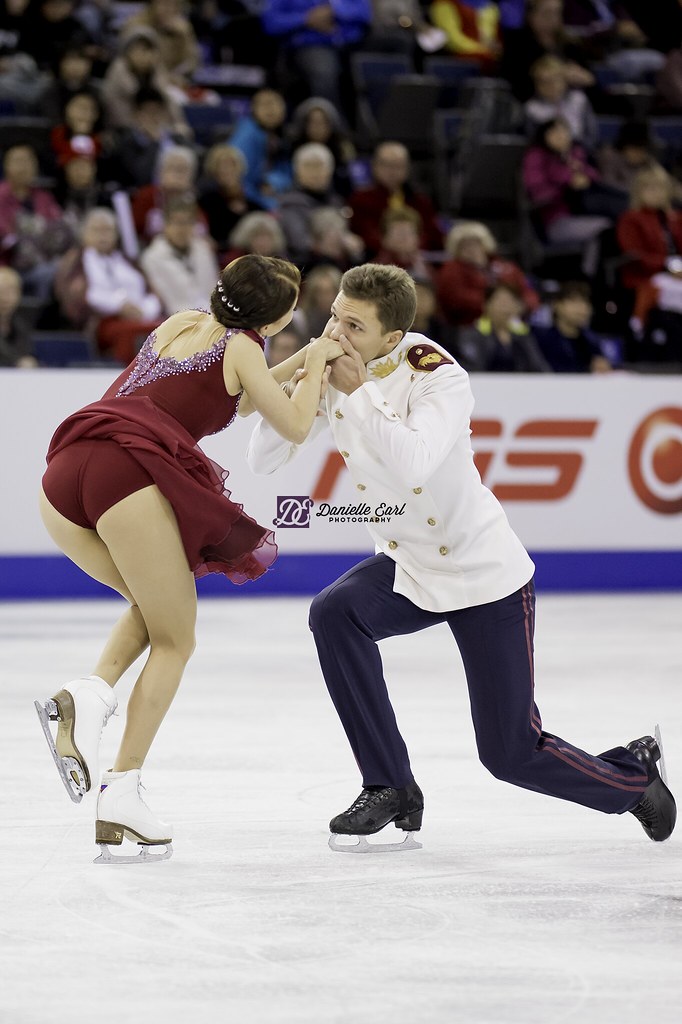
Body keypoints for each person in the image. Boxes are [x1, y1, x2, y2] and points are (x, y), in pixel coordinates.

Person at [246, 262, 676, 851]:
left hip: (483, 573)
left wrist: (357, 391)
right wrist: (298, 379)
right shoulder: (336, 368)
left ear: (393, 338)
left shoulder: (437, 375)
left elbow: (415, 460)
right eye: (333, 319)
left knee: (511, 755)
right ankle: (389, 785)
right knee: (335, 612)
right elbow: (263, 460)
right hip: (411, 567)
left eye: (354, 327)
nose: (336, 335)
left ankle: (632, 778)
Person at [35, 253, 343, 863]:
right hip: (125, 476)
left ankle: (90, 695)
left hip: (67, 472)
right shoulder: (244, 350)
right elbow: (298, 425)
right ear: (280, 314)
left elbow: (239, 394)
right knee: (178, 639)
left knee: (154, 608)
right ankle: (121, 788)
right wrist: (318, 366)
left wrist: (299, 360)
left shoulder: (180, 322)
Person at [437, 221, 539, 328]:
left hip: (513, 321)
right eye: (464, 245)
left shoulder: (506, 267)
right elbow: (456, 300)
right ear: (456, 249)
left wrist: (520, 305)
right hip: (471, 326)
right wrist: (495, 306)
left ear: (485, 244)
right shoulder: (451, 270)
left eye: (476, 243)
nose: (471, 248)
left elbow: (528, 293)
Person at [139, 197, 220, 315]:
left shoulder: (203, 249)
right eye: (177, 222)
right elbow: (164, 300)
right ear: (165, 225)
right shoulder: (151, 257)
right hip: (178, 321)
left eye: (188, 222)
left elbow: (214, 288)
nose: (183, 228)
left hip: (213, 317)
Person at [455, 282, 550, 371]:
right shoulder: (473, 333)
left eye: (510, 301)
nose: (506, 307)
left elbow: (539, 367)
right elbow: (471, 367)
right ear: (486, 305)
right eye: (501, 301)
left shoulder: (523, 336)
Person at [534, 280, 614, 371]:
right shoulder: (541, 339)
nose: (582, 307)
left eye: (585, 302)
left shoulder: (592, 342)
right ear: (557, 305)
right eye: (574, 301)